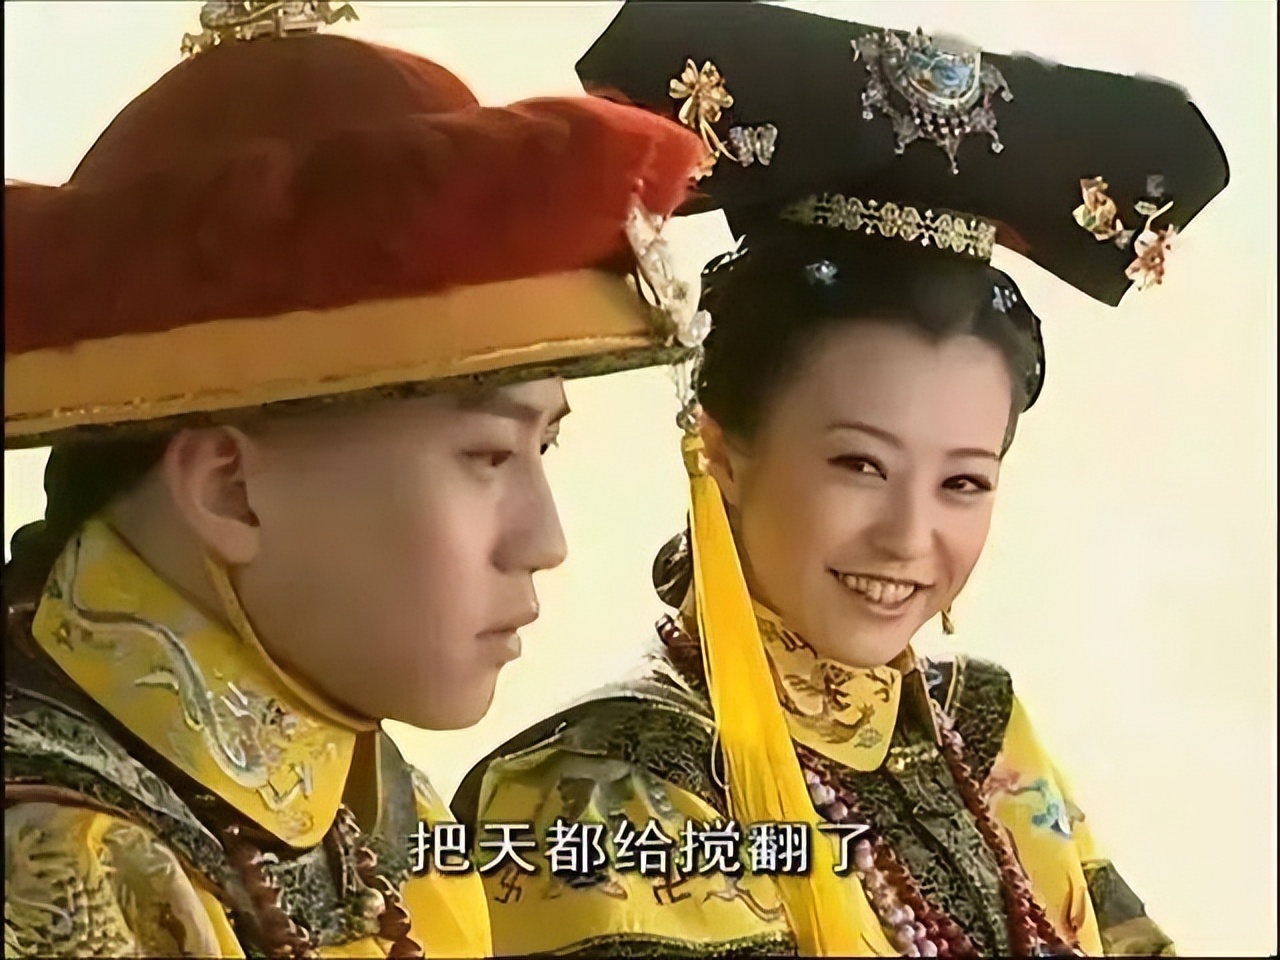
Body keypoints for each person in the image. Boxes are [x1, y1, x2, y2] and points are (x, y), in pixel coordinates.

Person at [453, 2, 1229, 956]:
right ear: (720, 451)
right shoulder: (604, 791)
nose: (908, 537)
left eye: (963, 483)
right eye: (861, 464)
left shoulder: (981, 731)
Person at [2, 2, 705, 956]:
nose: (544, 542)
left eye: (540, 450)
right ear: (229, 489)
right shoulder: (53, 864)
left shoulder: (382, 818)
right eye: (487, 456)